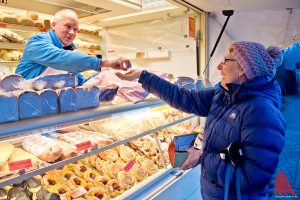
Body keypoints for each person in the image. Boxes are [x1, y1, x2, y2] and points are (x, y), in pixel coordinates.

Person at [116, 41, 286, 199]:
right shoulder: (224, 94)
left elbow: (253, 178)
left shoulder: (262, 112)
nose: (219, 66)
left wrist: (202, 157)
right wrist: (144, 77)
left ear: (243, 68)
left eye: (225, 61)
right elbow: (185, 98)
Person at [15, 9, 131, 85]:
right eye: (67, 26)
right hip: (21, 106)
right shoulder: (38, 41)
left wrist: (105, 74)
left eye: (75, 29)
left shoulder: (69, 50)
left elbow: (80, 82)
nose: (72, 32)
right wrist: (103, 63)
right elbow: (61, 58)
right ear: (53, 25)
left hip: (50, 108)